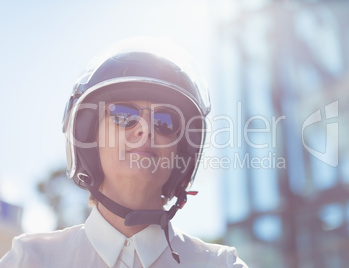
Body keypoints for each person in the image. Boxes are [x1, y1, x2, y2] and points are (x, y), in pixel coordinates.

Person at [0, 38, 248, 268]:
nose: (145, 129)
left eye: (165, 121)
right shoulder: (31, 259)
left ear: (180, 152)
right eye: (123, 114)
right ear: (90, 138)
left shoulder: (221, 264)